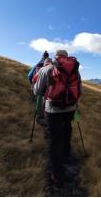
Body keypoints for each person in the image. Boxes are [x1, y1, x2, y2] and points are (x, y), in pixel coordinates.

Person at [33, 50, 83, 188]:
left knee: (55, 138)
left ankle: (57, 174)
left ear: (55, 56)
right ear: (66, 58)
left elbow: (37, 91)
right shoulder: (75, 70)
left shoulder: (46, 69)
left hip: (52, 109)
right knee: (67, 129)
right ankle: (66, 155)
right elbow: (80, 91)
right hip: (70, 108)